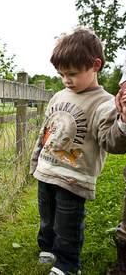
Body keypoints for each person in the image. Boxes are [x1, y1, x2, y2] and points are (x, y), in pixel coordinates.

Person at [30, 27, 126, 275]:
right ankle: (47, 246)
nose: (66, 80)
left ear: (95, 65)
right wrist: (35, 161)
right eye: (62, 74)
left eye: (72, 74)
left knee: (68, 222)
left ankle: (67, 264)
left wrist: (123, 123)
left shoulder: (103, 103)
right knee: (47, 215)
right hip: (47, 169)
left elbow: (112, 142)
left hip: (75, 176)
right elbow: (46, 130)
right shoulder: (59, 96)